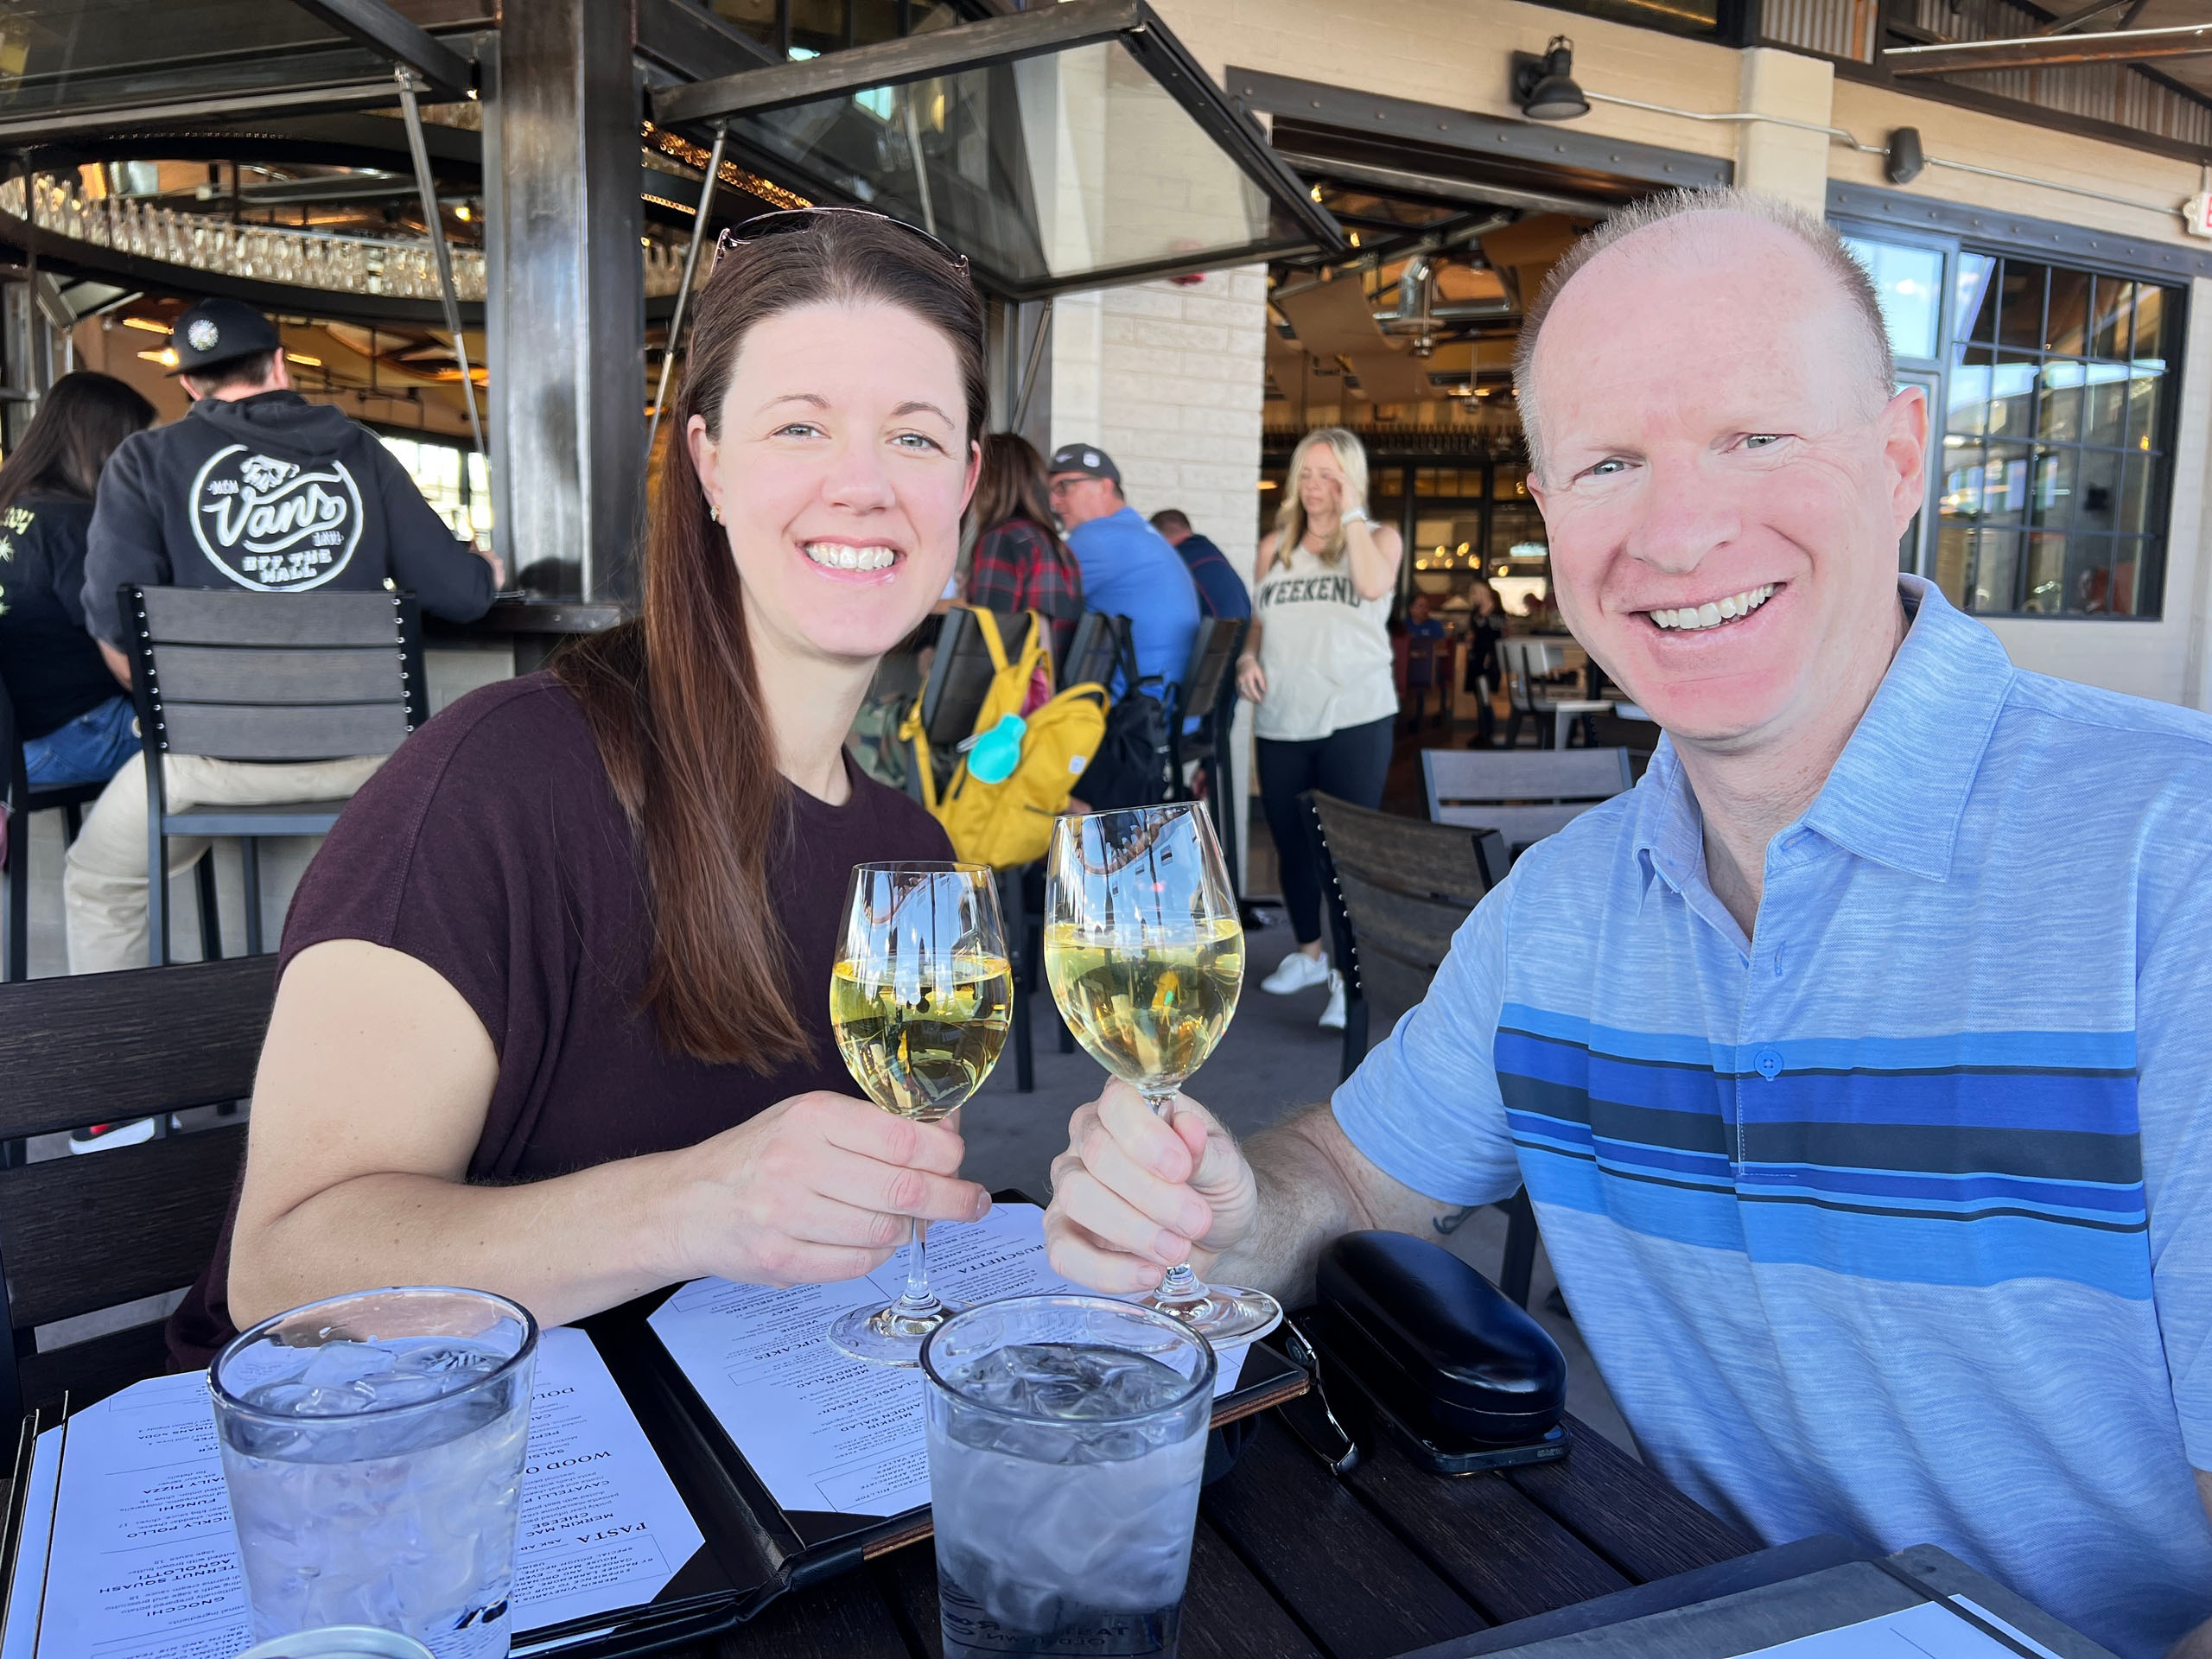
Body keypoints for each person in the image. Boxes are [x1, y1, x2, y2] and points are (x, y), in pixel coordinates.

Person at [1039, 188, 2212, 1659]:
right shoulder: (1569, 907)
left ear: (1900, 454)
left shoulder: (2177, 866)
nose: (1679, 528)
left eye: (1755, 436)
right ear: (1549, 513)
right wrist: (1234, 1205)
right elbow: (1344, 1169)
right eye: (1608, 462)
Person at [168, 208, 995, 1368]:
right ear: (709, 463)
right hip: (402, 1487)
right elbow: (284, 1269)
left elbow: (889, 1212)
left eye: (912, 438)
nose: (861, 485)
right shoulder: (500, 787)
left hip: (764, 1480)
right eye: (800, 425)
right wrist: (692, 1205)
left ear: (964, 481)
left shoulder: (912, 853)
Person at [67, 299, 501, 974]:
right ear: (279, 365)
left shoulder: (144, 462)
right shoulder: (359, 451)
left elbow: (120, 636)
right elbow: (462, 597)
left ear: (188, 383)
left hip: (205, 767)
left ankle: (123, 1065)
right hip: (369, 763)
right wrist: (485, 569)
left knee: (101, 881)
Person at [1237, 426, 1402, 1032]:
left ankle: (1346, 979)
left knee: (1341, 854)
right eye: (1306, 474)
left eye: (1329, 474)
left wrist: (1350, 511)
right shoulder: (1274, 547)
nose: (1314, 487)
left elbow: (1371, 585)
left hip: (1354, 718)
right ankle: (1308, 954)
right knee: (1291, 844)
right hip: (1283, 718)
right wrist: (1248, 658)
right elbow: (1259, 623)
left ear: (1352, 480)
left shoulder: (1380, 539)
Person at [0, 372, 154, 789]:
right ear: (107, 444)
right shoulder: (77, 524)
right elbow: (125, 648)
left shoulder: (12, 504)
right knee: (217, 739)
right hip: (73, 736)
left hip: (15, 743)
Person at [1046, 443, 1199, 698]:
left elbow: (1025, 604)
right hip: (1164, 710)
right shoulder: (1142, 532)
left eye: (1064, 487)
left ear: (1105, 487)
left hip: (1129, 717)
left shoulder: (1097, 538)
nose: (1053, 502)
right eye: (1049, 491)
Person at [963, 432, 1083, 662]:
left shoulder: (1001, 539)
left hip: (1012, 692)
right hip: (1050, 691)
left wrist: (933, 660)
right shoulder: (1059, 548)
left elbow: (987, 642)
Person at [1149, 508, 1251, 623]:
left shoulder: (1177, 561)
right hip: (1240, 636)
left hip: (1212, 638)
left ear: (1156, 536)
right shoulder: (1208, 551)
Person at [1462, 579, 1503, 748]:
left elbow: (1501, 637)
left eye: (1475, 592)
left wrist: (1492, 656)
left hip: (1490, 660)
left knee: (1485, 697)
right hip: (1476, 658)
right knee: (1479, 696)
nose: (1473, 596)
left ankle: (1487, 734)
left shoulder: (1497, 613)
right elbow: (1472, 633)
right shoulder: (1476, 613)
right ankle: (1482, 732)